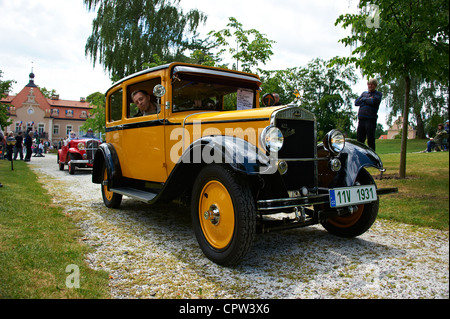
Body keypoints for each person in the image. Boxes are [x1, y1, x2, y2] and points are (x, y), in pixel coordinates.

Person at [355, 78, 382, 151]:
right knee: (360, 140)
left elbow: (374, 101)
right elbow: (356, 102)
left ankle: (372, 156)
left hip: (370, 120)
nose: (370, 86)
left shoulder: (378, 94)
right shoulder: (364, 93)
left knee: (370, 139)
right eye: (369, 84)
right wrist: (367, 100)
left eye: (372, 84)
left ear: (375, 85)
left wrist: (364, 99)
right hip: (361, 119)